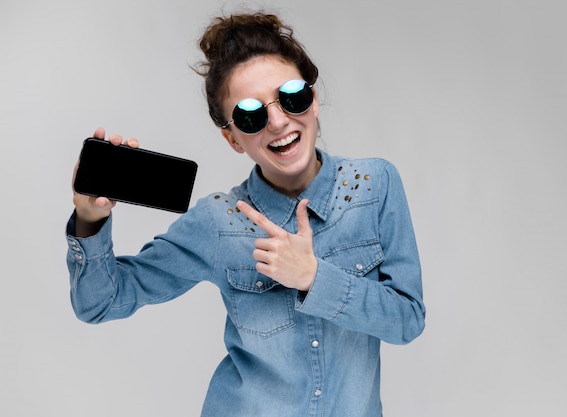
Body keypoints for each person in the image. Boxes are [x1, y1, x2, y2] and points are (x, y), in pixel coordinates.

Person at [66, 12, 425, 417]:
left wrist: (314, 278)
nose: (277, 121)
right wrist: (89, 218)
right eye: (250, 115)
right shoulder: (219, 220)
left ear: (314, 98)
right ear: (232, 138)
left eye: (291, 95)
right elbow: (100, 302)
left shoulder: (374, 184)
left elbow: (407, 320)